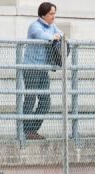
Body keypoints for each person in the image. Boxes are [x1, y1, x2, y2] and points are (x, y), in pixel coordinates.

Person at [22, 2, 64, 140]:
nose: (54, 16)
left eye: (54, 13)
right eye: (51, 13)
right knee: (30, 99)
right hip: (31, 68)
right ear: (43, 14)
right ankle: (26, 131)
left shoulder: (52, 26)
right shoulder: (35, 26)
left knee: (45, 101)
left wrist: (58, 35)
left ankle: (32, 130)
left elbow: (61, 34)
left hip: (43, 70)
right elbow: (41, 35)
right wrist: (54, 37)